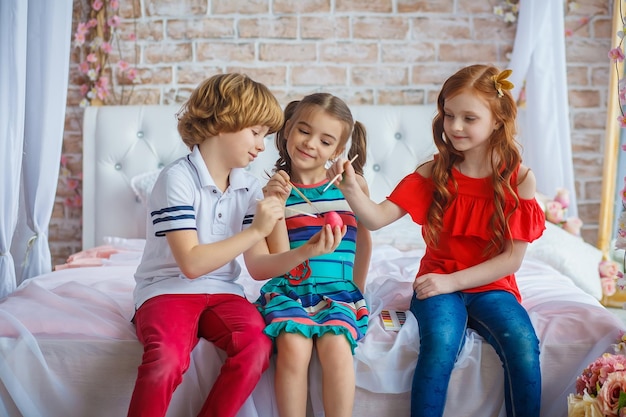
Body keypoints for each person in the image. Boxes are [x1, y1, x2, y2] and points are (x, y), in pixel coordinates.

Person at [326, 65, 545, 417]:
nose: (455, 126)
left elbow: (511, 260)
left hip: (492, 286)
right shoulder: (433, 172)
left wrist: (451, 281)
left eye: (469, 118)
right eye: (449, 115)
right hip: (436, 287)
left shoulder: (519, 179)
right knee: (441, 344)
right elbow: (376, 218)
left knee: (523, 344)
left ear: (497, 120)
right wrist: (351, 188)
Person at [127, 73, 344, 417]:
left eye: (265, 136)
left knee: (257, 346)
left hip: (224, 293)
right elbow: (192, 264)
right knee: (166, 360)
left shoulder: (248, 186)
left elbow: (257, 268)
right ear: (222, 122)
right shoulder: (177, 178)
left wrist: (308, 251)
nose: (261, 145)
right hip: (167, 290)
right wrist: (257, 229)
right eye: (255, 133)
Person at [256, 92, 372, 417]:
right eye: (304, 131)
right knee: (293, 346)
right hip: (291, 290)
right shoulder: (274, 191)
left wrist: (356, 290)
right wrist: (275, 205)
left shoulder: (352, 186)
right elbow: (278, 256)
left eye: (325, 141)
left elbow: (364, 241)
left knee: (337, 347)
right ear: (288, 130)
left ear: (337, 151)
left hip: (339, 291)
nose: (310, 144)